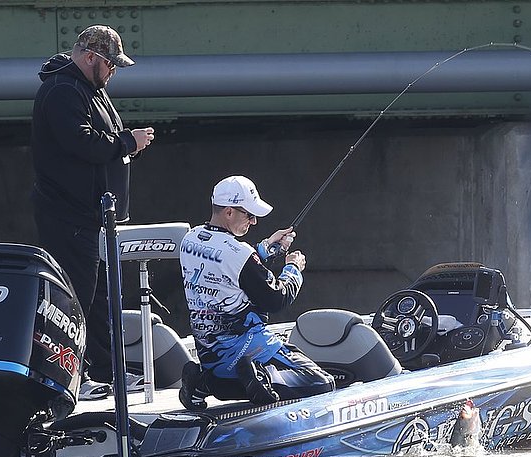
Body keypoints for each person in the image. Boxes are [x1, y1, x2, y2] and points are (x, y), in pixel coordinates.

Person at [30, 25, 155, 394]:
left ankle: (105, 372)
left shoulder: (89, 89)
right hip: (67, 215)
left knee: (101, 297)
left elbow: (97, 138)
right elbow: (81, 142)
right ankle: (72, 377)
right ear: (90, 58)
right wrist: (127, 142)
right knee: (74, 297)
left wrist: (122, 142)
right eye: (110, 64)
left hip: (93, 217)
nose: (114, 71)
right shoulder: (61, 91)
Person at [178, 175, 335, 409]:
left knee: (224, 373)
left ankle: (203, 382)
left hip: (210, 354)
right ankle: (260, 380)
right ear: (229, 212)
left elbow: (228, 269)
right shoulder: (239, 254)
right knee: (322, 383)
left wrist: (267, 248)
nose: (253, 222)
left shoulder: (190, 239)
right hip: (248, 345)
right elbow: (275, 299)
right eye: (249, 215)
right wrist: (293, 269)